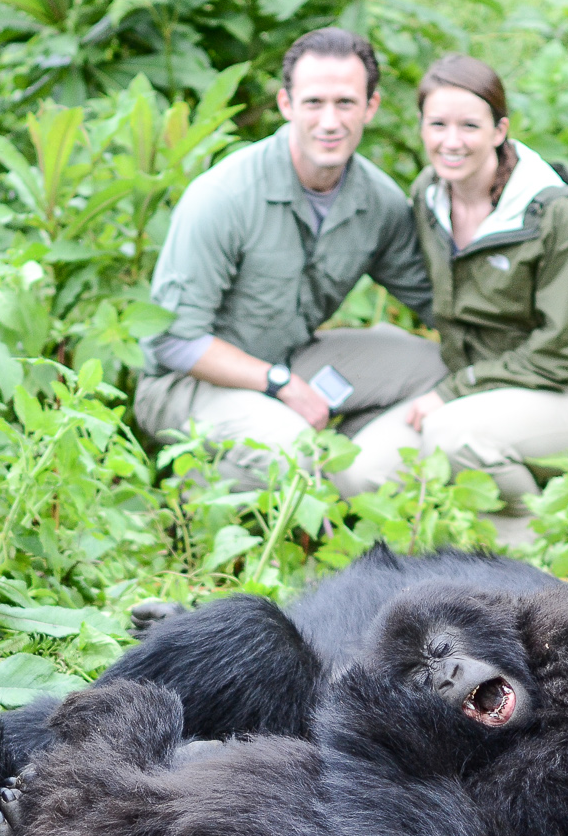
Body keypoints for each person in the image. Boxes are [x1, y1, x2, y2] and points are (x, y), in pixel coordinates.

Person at [136, 28, 443, 490]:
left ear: (370, 107)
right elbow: (174, 342)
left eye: (345, 103)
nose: (330, 121)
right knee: (293, 450)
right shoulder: (225, 195)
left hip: (292, 361)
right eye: (314, 102)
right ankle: (192, 486)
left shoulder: (379, 200)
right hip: (189, 384)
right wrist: (278, 383)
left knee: (438, 366)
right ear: (286, 104)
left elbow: (437, 301)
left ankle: (352, 471)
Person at [337, 54, 568, 539]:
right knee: (358, 474)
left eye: (470, 125)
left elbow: (563, 357)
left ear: (499, 130)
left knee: (454, 436)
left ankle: (540, 539)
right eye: (438, 124)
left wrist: (452, 391)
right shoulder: (430, 195)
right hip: (478, 391)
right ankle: (443, 550)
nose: (452, 141)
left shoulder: (555, 217)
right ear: (422, 128)